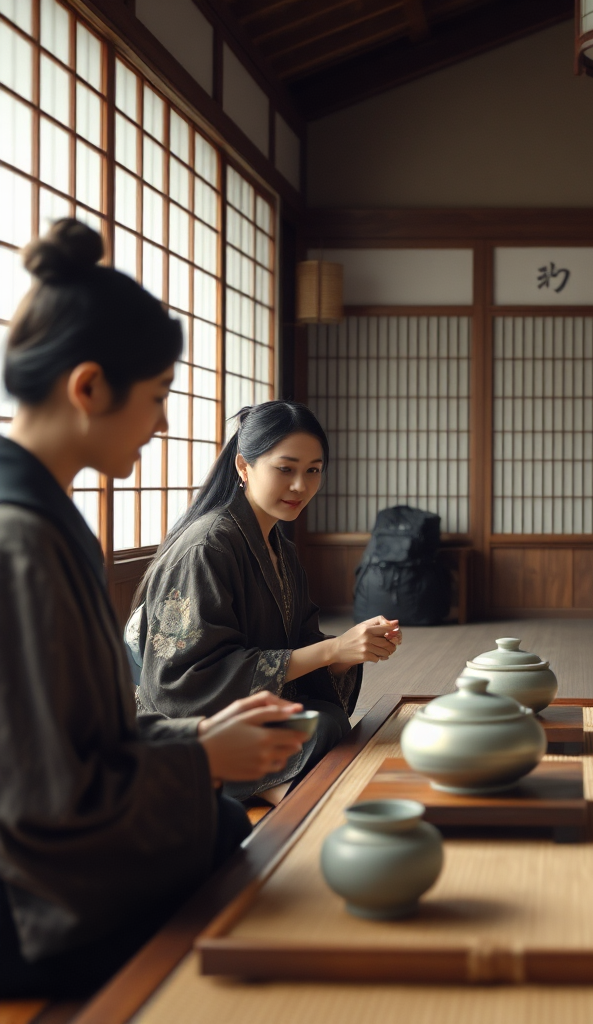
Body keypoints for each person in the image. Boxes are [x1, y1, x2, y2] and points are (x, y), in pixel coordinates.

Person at [0, 220, 312, 998]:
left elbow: (79, 738)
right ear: (88, 387)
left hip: (48, 852)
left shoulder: (41, 517)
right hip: (27, 904)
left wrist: (197, 737)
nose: (166, 423)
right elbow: (44, 799)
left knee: (232, 839)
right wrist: (201, 756)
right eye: (157, 397)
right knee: (246, 887)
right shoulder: (20, 542)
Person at [130, 400, 402, 806]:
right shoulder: (207, 547)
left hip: (246, 713)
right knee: (323, 732)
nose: (300, 486)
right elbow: (183, 681)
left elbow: (303, 640)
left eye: (313, 471)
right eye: (285, 468)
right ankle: (262, 791)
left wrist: (345, 655)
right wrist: (332, 649)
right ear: (244, 466)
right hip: (186, 724)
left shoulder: (280, 547)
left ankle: (277, 790)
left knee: (322, 724)